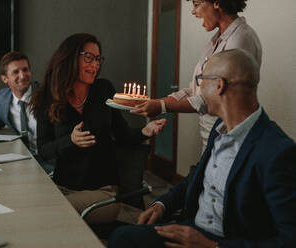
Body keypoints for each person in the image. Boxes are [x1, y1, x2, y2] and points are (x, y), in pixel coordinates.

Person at [108, 49, 296, 248]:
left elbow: (290, 239)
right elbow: (199, 176)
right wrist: (162, 205)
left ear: (219, 85)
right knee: (123, 238)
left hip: (225, 242)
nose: (198, 89)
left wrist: (211, 246)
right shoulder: (219, 127)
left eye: (201, 80)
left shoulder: (277, 151)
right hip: (192, 227)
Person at [30, 33, 167, 224]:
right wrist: (70, 141)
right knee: (35, 208)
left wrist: (145, 131)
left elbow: (122, 133)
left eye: (98, 59)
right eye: (89, 58)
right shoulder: (48, 97)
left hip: (103, 193)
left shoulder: (103, 89)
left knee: (52, 214)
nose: (95, 65)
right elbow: (44, 150)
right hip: (62, 187)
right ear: (70, 57)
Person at [131, 0, 262, 151]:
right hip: (211, 137)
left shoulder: (241, 39)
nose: (193, 11)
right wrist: (153, 102)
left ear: (217, 3)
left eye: (196, 4)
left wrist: (161, 106)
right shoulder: (215, 41)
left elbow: (214, 98)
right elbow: (195, 91)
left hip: (230, 139)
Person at [0, 51, 54, 173]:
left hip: (50, 161)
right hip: (21, 160)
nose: (22, 76)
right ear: (4, 78)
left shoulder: (48, 95)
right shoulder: (2, 98)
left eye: (25, 70)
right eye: (16, 72)